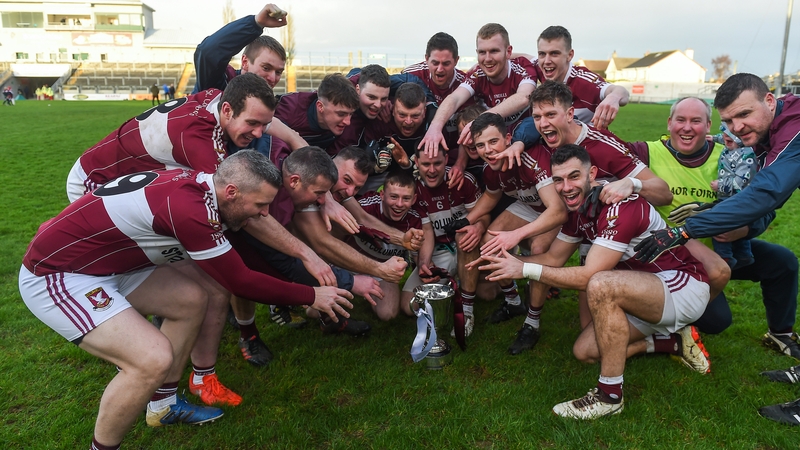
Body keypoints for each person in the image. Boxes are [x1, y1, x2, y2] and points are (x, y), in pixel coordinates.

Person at [19, 150, 353, 449]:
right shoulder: (191, 210)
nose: (264, 214)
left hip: (109, 263)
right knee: (151, 359)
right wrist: (311, 294)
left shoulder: (205, 186)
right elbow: (241, 281)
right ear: (232, 192)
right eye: (260, 205)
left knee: (191, 299)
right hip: (58, 273)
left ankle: (163, 406)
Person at [473, 144, 710, 420]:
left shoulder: (620, 205)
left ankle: (609, 397)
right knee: (584, 350)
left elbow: (589, 277)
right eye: (558, 180)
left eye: (574, 176)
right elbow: (552, 257)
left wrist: (524, 271)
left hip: (680, 284)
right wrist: (507, 263)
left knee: (599, 283)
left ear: (592, 174)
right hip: (641, 291)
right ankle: (671, 341)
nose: (565, 187)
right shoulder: (578, 211)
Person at [626, 74, 800, 425]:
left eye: (744, 114)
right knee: (726, 310)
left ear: (770, 101)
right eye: (730, 120)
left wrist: (690, 228)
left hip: (703, 252)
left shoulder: (791, 129)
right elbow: (767, 204)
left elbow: (766, 195)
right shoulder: (766, 135)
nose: (737, 126)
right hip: (683, 259)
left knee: (779, 262)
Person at [500, 80, 672, 355]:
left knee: (598, 334)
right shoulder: (540, 141)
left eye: (550, 115)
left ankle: (669, 325)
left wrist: (632, 184)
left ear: (570, 114)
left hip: (621, 234)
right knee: (589, 331)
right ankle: (532, 322)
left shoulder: (602, 146)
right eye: (537, 117)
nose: (542, 124)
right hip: (582, 228)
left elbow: (664, 193)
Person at [66, 73, 275, 202]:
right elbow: (235, 200)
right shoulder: (199, 141)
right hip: (94, 181)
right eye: (252, 123)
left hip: (114, 170)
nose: (258, 133)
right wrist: (301, 251)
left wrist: (295, 140)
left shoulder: (216, 97)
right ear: (228, 111)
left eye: (263, 125)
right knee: (201, 224)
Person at [464, 112, 568, 319]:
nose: (488, 150)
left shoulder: (529, 158)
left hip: (559, 208)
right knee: (488, 243)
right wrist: (465, 221)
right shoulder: (490, 167)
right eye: (481, 145)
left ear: (508, 139)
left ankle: (533, 321)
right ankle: (513, 301)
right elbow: (491, 196)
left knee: (539, 248)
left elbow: (557, 210)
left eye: (493, 141)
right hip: (530, 204)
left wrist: (517, 235)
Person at [418, 23, 536, 160]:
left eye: (494, 51)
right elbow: (454, 99)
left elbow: (523, 97)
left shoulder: (523, 67)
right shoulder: (476, 74)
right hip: (490, 153)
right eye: (482, 52)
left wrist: (480, 119)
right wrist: (435, 128)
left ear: (508, 52)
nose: (487, 59)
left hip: (525, 146)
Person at [405, 146, 485, 335]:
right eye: (425, 164)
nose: (432, 170)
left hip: (466, 245)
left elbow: (482, 215)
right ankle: (456, 284)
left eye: (437, 163)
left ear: (447, 159)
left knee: (487, 293)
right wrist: (424, 263)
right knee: (409, 306)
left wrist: (478, 227)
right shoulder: (415, 189)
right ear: (416, 162)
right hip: (440, 249)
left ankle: (467, 311)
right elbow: (425, 230)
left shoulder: (462, 180)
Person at [342, 169, 423, 320]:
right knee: (313, 312)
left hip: (381, 270)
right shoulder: (365, 206)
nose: (399, 204)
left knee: (388, 314)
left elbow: (417, 257)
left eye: (406, 198)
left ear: (414, 199)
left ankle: (369, 292)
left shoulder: (415, 220)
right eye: (393, 197)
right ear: (382, 195)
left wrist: (426, 268)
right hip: (349, 263)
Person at [194, 3, 287, 92]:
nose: (273, 78)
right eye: (266, 68)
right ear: (245, 62)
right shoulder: (218, 85)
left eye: (278, 72)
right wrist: (255, 23)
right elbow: (209, 53)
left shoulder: (271, 104)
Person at [710, 123, 757, 269]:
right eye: (724, 134)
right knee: (737, 225)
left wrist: (721, 185)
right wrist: (712, 138)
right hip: (730, 198)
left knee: (720, 225)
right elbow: (724, 138)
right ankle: (744, 256)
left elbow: (741, 182)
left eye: (729, 136)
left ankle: (724, 257)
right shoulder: (733, 144)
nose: (725, 138)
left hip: (736, 198)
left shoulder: (747, 155)